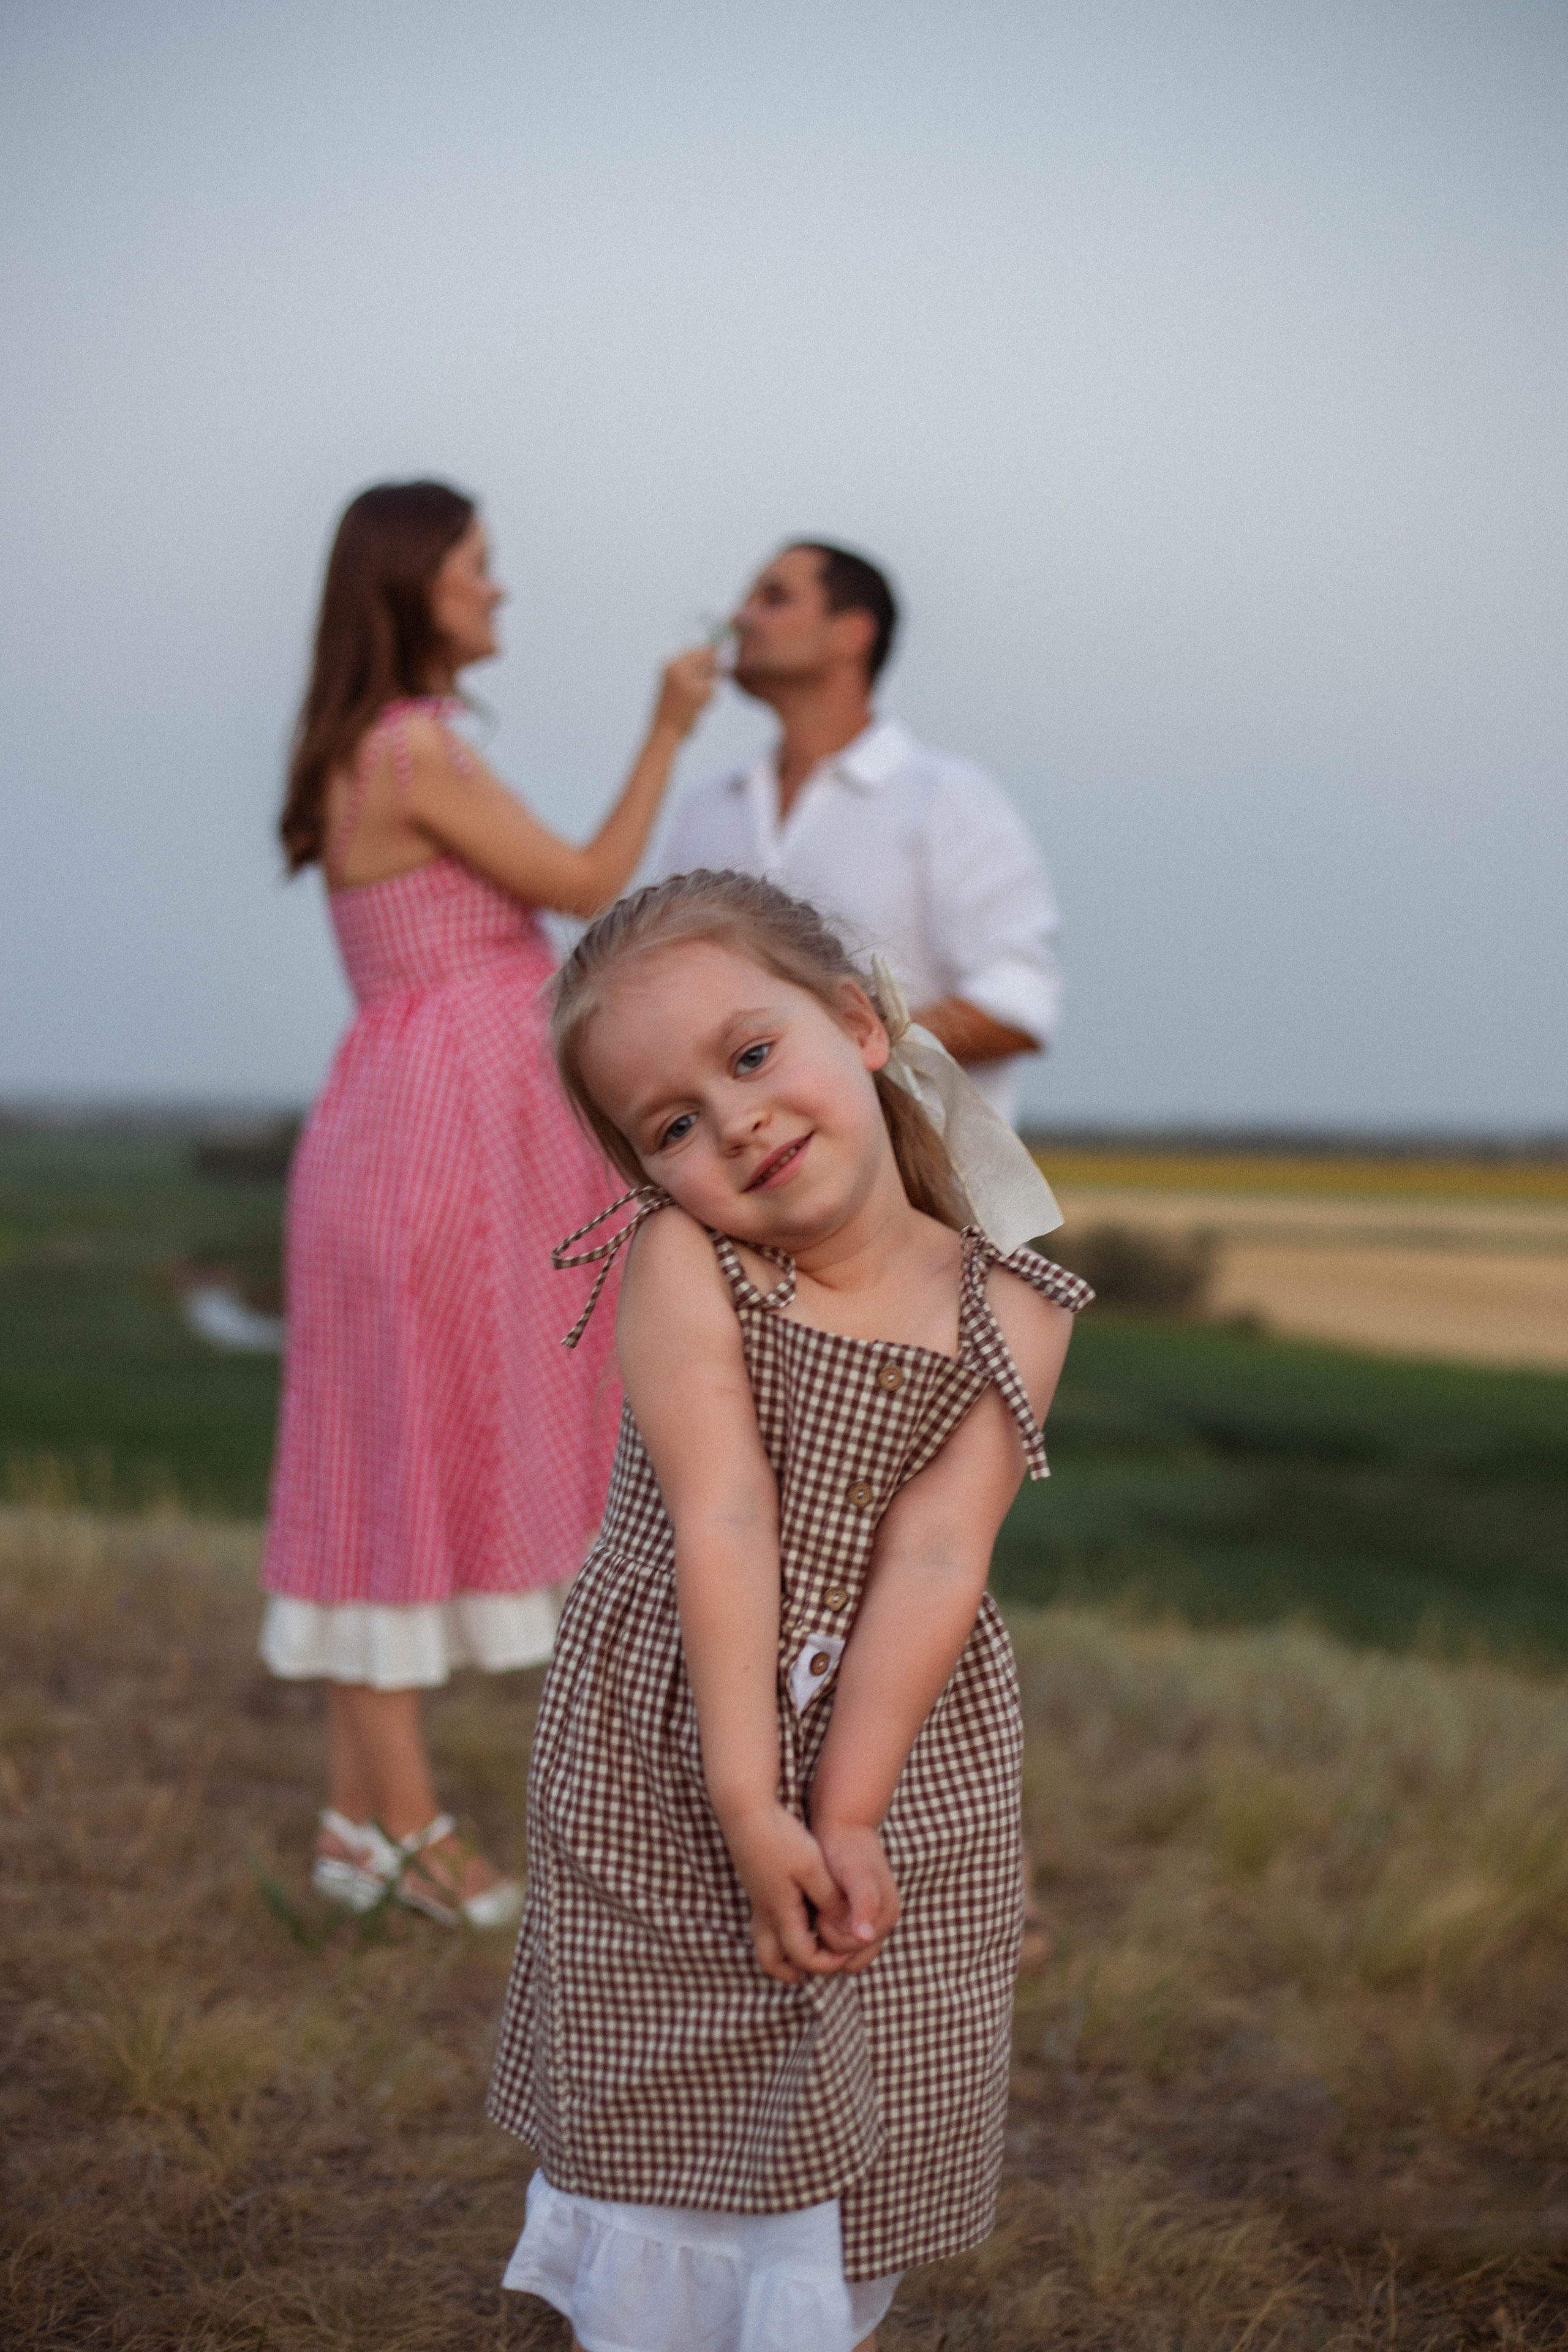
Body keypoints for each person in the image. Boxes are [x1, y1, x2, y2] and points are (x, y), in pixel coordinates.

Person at [487, 872, 1091, 2351]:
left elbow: (940, 1555)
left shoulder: (1015, 1302)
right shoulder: (691, 1261)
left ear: (860, 1023)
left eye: (750, 1056)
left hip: (907, 1748)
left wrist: (851, 1805)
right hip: (679, 1740)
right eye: (670, 1125)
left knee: (865, 2049)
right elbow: (725, 1515)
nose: (731, 1121)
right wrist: (750, 1798)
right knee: (680, 2085)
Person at [261, 480, 715, 1928]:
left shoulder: (376, 744)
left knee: (382, 1454)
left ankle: (359, 1828)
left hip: (411, 1132)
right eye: (478, 567)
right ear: (413, 587)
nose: (498, 590)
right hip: (433, 1154)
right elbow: (586, 882)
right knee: (396, 1468)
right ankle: (401, 1825)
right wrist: (664, 728)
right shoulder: (411, 749)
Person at [648, 541, 1061, 1126]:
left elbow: (1017, 1005)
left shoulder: (946, 798)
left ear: (852, 633)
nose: (740, 617)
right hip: (731, 1192)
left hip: (921, 1196)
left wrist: (843, 1042)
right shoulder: (706, 808)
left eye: (774, 598)